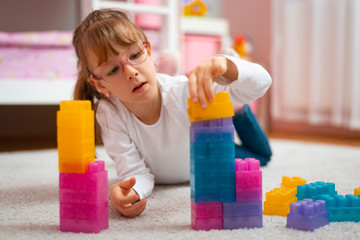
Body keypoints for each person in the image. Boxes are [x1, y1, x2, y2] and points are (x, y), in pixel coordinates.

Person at [72, 9, 272, 218]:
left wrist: (227, 66)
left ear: (148, 52)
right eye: (113, 70)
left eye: (135, 55)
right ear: (99, 85)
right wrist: (131, 190)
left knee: (262, 156)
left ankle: (237, 108)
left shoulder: (186, 92)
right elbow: (136, 174)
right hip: (189, 151)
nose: (131, 72)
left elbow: (262, 83)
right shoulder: (109, 112)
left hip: (208, 152)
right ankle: (220, 91)